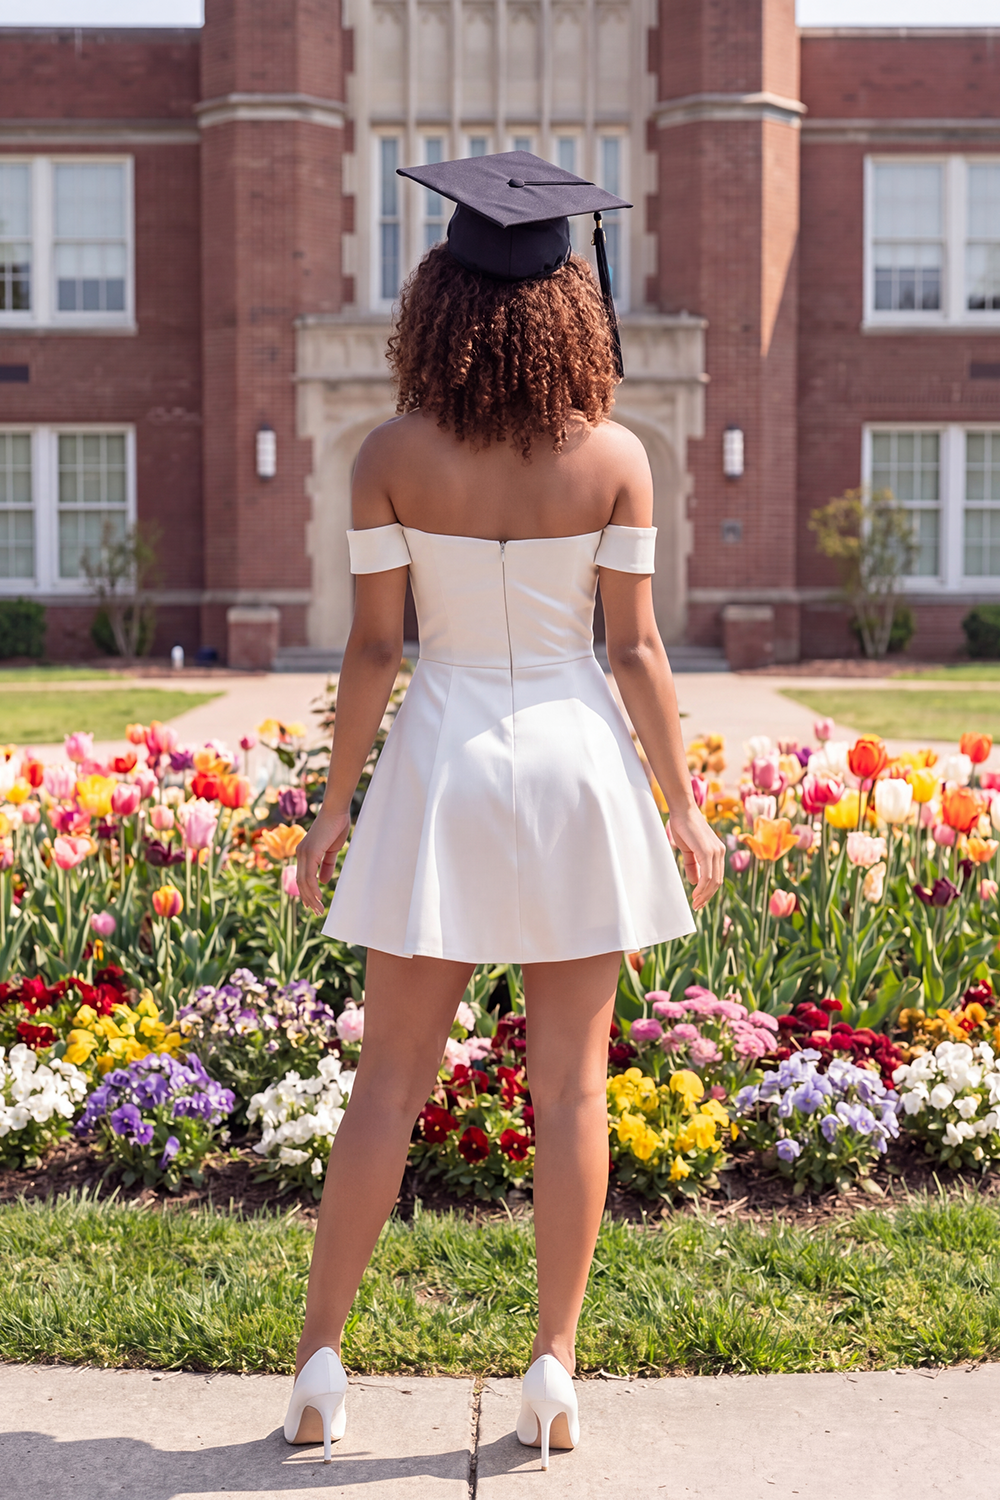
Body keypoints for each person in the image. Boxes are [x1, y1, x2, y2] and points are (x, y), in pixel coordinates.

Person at [286, 150, 725, 1469]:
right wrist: (687, 809)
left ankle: (319, 1364)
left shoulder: (388, 456)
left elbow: (375, 650)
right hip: (578, 767)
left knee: (384, 1092)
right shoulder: (616, 460)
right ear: (573, 312)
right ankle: (553, 1371)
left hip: (440, 761)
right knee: (572, 1092)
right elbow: (637, 651)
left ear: (437, 300)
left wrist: (329, 813)